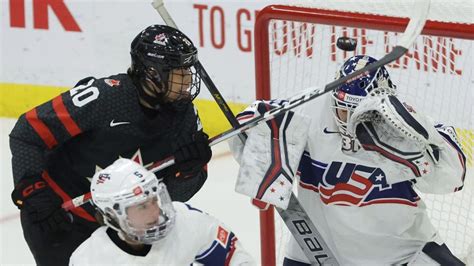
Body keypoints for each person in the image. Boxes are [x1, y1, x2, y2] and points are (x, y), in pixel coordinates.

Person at [230, 55, 467, 265]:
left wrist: (425, 147)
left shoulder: (404, 126)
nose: (349, 120)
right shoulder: (312, 108)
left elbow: (454, 179)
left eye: (359, 112)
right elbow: (250, 120)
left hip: (403, 254)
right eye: (343, 109)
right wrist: (259, 152)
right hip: (316, 251)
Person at [10, 24, 212, 266]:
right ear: (152, 72)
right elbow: (28, 131)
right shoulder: (105, 98)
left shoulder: (184, 117)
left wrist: (187, 173)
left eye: (188, 70)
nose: (188, 79)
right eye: (180, 71)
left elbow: (173, 197)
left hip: (129, 228)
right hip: (61, 217)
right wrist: (33, 191)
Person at [69, 158, 254, 265]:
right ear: (111, 215)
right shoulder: (89, 260)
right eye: (141, 206)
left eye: (153, 201)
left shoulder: (187, 222)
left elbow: (236, 260)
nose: (154, 213)